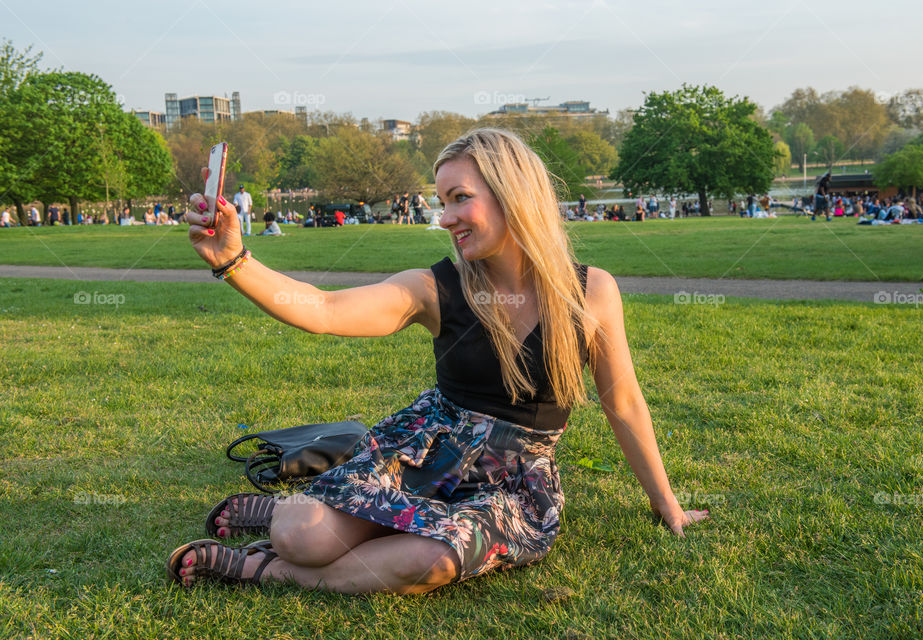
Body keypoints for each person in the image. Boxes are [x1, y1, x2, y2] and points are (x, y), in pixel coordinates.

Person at [167, 128, 707, 593]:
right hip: (426, 449)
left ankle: (267, 571)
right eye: (441, 202)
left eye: (459, 198)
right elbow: (326, 308)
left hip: (511, 481)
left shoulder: (591, 292)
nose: (445, 218)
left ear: (512, 195)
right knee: (299, 537)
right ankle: (280, 522)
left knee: (436, 556)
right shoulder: (434, 288)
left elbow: (625, 403)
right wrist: (235, 262)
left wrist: (667, 504)